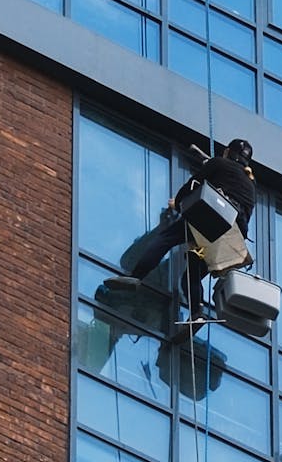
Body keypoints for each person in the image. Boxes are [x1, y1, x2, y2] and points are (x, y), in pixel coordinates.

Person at [104, 139, 256, 324]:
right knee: (192, 273)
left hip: (209, 217)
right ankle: (197, 312)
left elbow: (193, 185)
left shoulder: (219, 163)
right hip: (226, 236)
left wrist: (178, 203)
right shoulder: (251, 186)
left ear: (227, 152)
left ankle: (136, 276)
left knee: (166, 238)